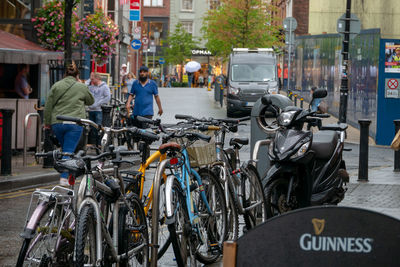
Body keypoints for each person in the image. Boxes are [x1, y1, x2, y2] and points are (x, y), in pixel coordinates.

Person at [44, 62, 94, 186]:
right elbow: (90, 101)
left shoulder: (56, 85)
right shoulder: (81, 86)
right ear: (77, 75)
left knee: (66, 148)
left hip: (57, 123)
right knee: (68, 150)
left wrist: (47, 123)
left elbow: (48, 105)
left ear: (65, 74)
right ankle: (64, 177)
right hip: (74, 123)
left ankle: (71, 175)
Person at [87, 72, 111, 147]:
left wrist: (99, 103)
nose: (91, 80)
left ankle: (99, 143)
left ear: (97, 79)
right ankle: (93, 143)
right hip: (91, 110)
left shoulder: (104, 86)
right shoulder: (90, 86)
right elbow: (85, 86)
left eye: (93, 79)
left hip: (98, 110)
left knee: (98, 127)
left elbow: (107, 97)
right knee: (92, 128)